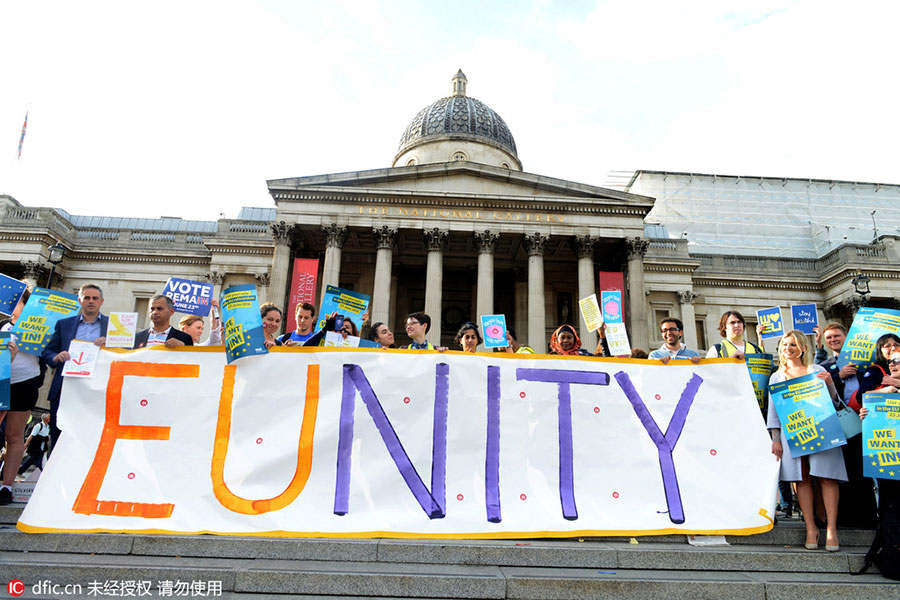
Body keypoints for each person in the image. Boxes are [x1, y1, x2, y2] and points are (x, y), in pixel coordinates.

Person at [767, 330, 847, 551]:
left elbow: (834, 402)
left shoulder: (818, 370)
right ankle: (811, 527)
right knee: (800, 479)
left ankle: (831, 528)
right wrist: (775, 439)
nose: (788, 349)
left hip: (823, 428)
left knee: (827, 477)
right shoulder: (777, 376)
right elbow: (773, 413)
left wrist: (830, 383)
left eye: (792, 345)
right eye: (784, 345)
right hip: (793, 432)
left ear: (802, 347)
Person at [813, 321, 875, 528]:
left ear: (846, 336)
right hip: (842, 423)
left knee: (864, 469)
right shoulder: (824, 367)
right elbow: (820, 395)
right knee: (846, 469)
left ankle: (867, 515)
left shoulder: (866, 361)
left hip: (865, 418)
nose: (833, 340)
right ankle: (846, 516)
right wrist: (838, 376)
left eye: (836, 336)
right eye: (829, 337)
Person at [42, 284, 109, 447]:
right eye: (87, 298)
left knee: (91, 438)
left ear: (102, 301)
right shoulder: (64, 324)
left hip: (97, 388)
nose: (91, 301)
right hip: (65, 387)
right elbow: (48, 351)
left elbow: (125, 353)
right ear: (80, 300)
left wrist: (110, 345)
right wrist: (56, 357)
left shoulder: (113, 326)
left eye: (95, 298)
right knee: (58, 438)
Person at [0, 289, 43, 505]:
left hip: (25, 382)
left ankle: (6, 486)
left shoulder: (39, 328)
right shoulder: (3, 326)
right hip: (1, 381)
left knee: (14, 436)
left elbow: (48, 352)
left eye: (18, 301)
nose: (12, 304)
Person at [859, 350, 900, 512]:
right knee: (888, 502)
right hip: (887, 458)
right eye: (890, 361)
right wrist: (868, 415)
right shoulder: (884, 393)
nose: (892, 364)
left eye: (897, 360)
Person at [850, 333, 900, 412]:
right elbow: (861, 397)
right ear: (880, 349)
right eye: (888, 346)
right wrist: (884, 391)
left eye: (896, 345)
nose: (893, 348)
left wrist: (897, 382)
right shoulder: (875, 370)